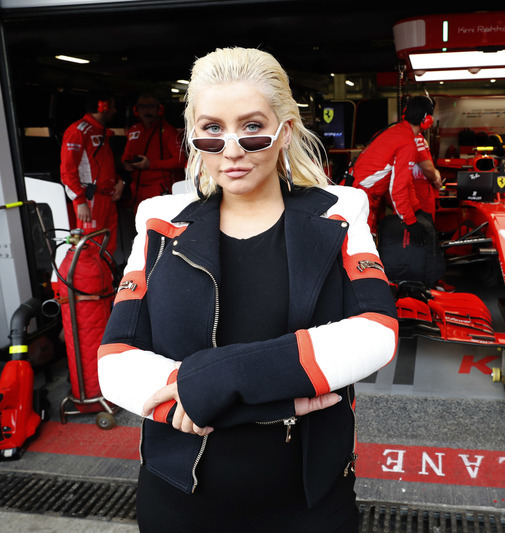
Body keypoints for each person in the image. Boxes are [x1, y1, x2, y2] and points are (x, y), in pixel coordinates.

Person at [97, 47, 398, 533]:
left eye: (252, 127)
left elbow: (376, 333)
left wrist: (215, 382)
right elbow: (115, 362)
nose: (232, 149)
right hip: (178, 502)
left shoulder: (339, 215)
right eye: (212, 130)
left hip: (310, 505)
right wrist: (274, 401)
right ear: (194, 136)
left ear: (285, 131)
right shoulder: (159, 223)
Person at [351, 95, 434, 241]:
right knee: (364, 245)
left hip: (358, 194)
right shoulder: (407, 143)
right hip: (363, 199)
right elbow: (398, 189)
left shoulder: (393, 131)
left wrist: (416, 209)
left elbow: (405, 181)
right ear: (427, 121)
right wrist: (411, 221)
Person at [60, 94, 125, 255]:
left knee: (108, 247)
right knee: (90, 247)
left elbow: (104, 166)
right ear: (102, 106)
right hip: (90, 200)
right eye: (112, 106)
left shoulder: (100, 131)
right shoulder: (77, 131)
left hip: (108, 197)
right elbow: (67, 171)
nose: (115, 111)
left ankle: (106, 273)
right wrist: (80, 202)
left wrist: (119, 182)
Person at [121, 93, 187, 212]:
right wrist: (126, 164)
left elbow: (180, 160)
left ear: (159, 109)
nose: (147, 111)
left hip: (160, 189)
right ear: (136, 110)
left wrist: (151, 164)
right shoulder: (134, 130)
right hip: (137, 189)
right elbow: (126, 156)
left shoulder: (168, 131)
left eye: (151, 106)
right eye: (142, 107)